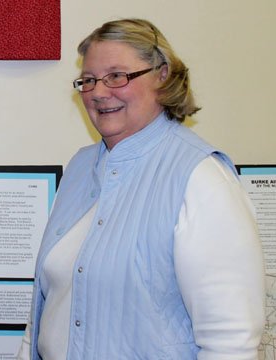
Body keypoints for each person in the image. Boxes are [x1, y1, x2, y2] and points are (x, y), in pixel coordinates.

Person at [18, 18, 265, 359]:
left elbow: (231, 343)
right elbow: (48, 305)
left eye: (117, 76)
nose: (99, 93)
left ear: (162, 75)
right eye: (88, 80)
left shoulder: (201, 178)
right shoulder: (78, 169)